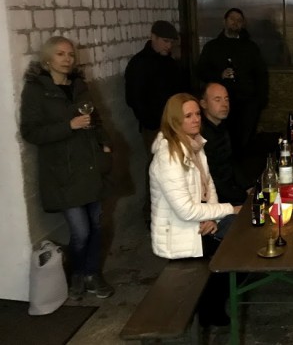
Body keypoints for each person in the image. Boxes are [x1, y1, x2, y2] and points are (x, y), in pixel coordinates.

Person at [20, 36, 114, 300]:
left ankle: (92, 274)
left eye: (70, 54)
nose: (67, 59)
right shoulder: (36, 90)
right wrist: (68, 126)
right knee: (81, 231)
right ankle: (76, 273)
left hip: (90, 165)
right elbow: (31, 132)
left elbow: (96, 119)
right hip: (63, 172)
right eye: (60, 54)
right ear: (47, 59)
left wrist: (105, 143)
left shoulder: (79, 85)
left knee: (96, 225)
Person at [149, 93, 242, 326]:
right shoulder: (169, 156)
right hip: (181, 233)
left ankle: (214, 304)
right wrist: (229, 210)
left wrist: (214, 217)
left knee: (242, 236)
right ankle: (208, 310)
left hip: (199, 224)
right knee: (235, 251)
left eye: (197, 114)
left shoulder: (195, 144)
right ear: (174, 120)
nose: (196, 119)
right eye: (188, 116)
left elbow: (208, 185)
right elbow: (185, 211)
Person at [125, 20, 190, 222]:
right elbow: (134, 98)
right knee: (156, 169)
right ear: (153, 37)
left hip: (175, 124)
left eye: (171, 42)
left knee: (176, 167)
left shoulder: (170, 63)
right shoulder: (139, 64)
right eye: (164, 41)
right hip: (154, 126)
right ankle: (151, 213)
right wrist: (151, 122)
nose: (168, 46)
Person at [197, 8, 269, 160]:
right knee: (223, 142)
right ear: (224, 21)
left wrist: (260, 101)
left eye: (239, 20)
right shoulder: (212, 47)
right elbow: (201, 71)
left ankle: (243, 170)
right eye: (232, 19)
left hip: (247, 103)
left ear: (243, 24)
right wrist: (219, 75)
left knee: (245, 143)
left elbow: (261, 75)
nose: (235, 23)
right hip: (220, 104)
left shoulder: (250, 47)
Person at [200, 82, 250, 205]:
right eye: (217, 100)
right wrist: (242, 196)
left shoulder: (222, 126)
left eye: (226, 99)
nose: (224, 104)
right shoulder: (201, 135)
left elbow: (231, 161)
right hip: (215, 200)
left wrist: (248, 186)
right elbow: (212, 178)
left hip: (230, 190)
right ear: (204, 104)